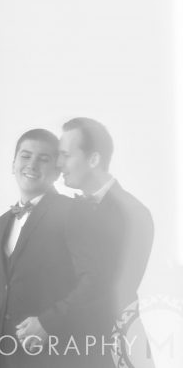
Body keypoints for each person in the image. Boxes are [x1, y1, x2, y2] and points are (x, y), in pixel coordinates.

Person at [0, 128, 103, 367]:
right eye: (25, 156)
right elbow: (0, 285)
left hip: (54, 357)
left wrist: (48, 323)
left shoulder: (73, 212)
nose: (32, 165)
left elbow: (94, 280)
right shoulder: (2, 222)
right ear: (13, 164)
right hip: (4, 358)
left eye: (43, 159)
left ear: (56, 170)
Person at [58, 117, 154, 364]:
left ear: (93, 160)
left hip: (111, 347)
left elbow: (109, 288)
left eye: (66, 155)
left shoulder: (133, 213)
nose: (59, 164)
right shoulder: (71, 209)